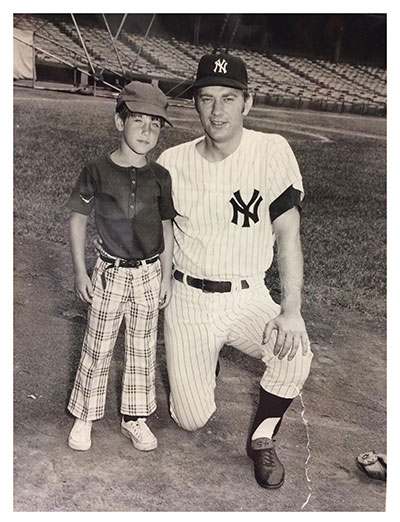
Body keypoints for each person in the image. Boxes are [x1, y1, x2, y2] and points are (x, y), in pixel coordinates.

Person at [157, 53, 313, 489]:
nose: (217, 110)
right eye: (207, 98)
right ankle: (203, 364)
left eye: (228, 98)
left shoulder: (271, 150)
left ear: (248, 102)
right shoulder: (172, 161)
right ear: (195, 103)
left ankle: (262, 438)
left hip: (247, 295)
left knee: (295, 352)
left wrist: (291, 310)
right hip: (188, 299)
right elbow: (159, 234)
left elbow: (288, 236)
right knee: (190, 418)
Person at [66, 81, 176, 453]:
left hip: (148, 273)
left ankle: (135, 417)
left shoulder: (160, 176)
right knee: (97, 346)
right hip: (109, 272)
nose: (147, 130)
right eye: (139, 120)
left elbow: (166, 227)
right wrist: (80, 270)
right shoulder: (97, 169)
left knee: (142, 350)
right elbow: (78, 218)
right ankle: (85, 416)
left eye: (156, 124)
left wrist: (166, 276)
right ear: (119, 122)